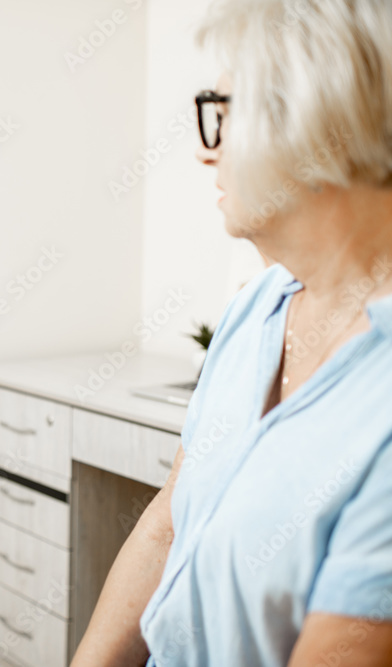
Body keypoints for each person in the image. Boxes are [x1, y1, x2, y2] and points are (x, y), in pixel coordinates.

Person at [70, 0, 392, 665]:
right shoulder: (258, 306)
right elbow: (167, 523)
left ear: (318, 122)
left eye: (225, 111)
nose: (203, 147)